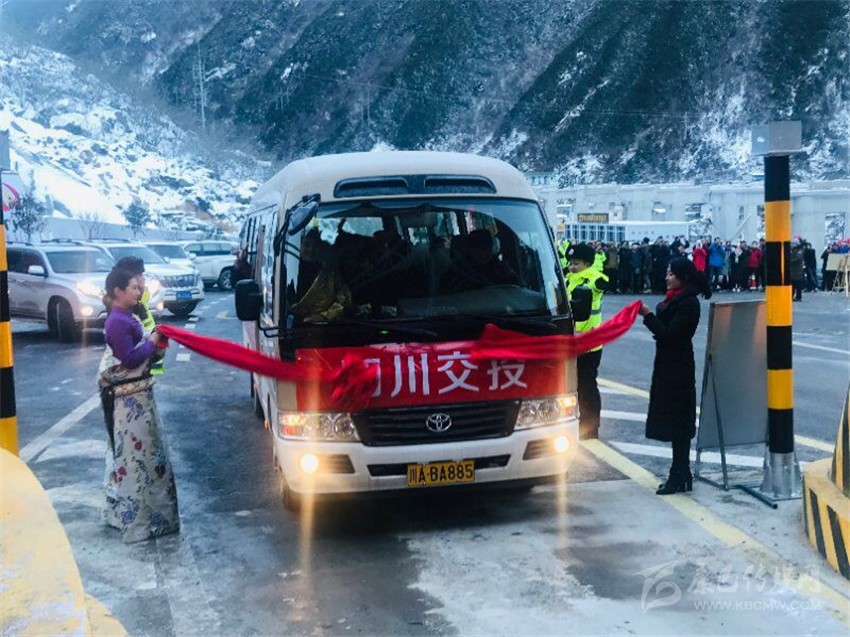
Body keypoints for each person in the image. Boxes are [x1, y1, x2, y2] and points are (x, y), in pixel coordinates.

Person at [99, 267, 178, 542]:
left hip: (138, 402)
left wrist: (152, 338)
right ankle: (142, 524)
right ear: (118, 291)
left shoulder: (125, 315)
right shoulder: (117, 322)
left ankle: (154, 521)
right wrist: (153, 340)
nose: (139, 291)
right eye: (133, 287)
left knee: (147, 458)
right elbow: (130, 359)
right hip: (130, 407)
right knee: (138, 461)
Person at [638, 257, 711, 495]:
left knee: (678, 424)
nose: (666, 278)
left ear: (683, 277)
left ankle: (678, 474)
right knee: (675, 422)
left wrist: (648, 316)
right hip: (668, 366)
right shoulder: (676, 299)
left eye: (671, 274)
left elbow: (669, 336)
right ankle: (682, 473)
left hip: (678, 369)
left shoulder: (688, 303)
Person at [565, 243, 609, 440]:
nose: (572, 266)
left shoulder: (594, 278)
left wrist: (601, 281)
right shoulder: (566, 279)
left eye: (576, 263)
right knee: (570, 385)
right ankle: (575, 422)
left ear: (587, 263)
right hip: (570, 342)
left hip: (589, 344)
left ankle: (590, 427)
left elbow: (603, 282)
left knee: (586, 386)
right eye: (570, 263)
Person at [112, 256, 163, 374]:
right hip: (131, 368)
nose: (143, 278)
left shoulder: (139, 297)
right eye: (140, 275)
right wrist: (153, 338)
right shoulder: (125, 304)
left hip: (144, 360)